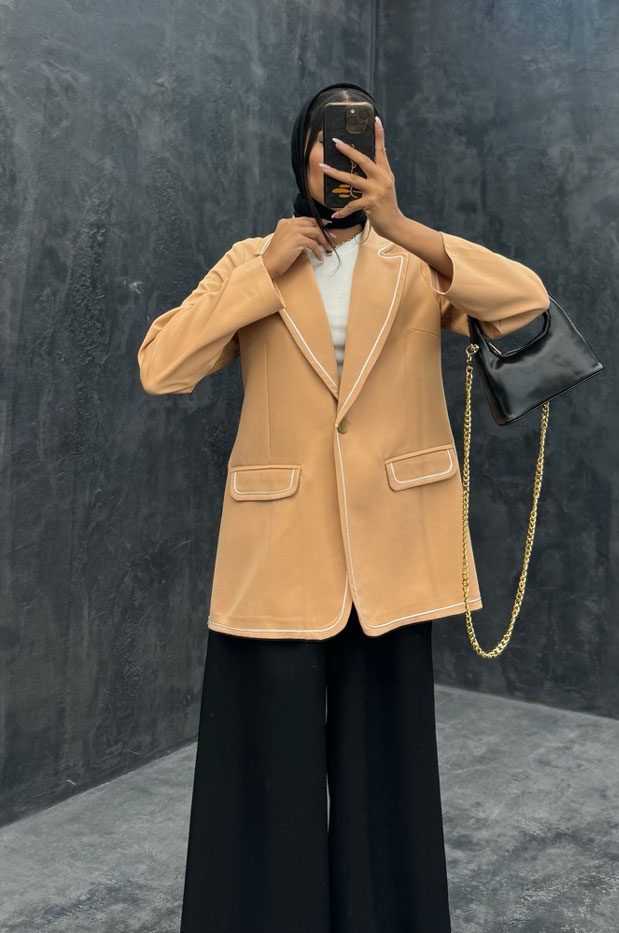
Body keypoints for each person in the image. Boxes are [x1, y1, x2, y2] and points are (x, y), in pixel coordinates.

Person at [137, 81, 550, 933]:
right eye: (328, 139)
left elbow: (526, 303)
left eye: (362, 137)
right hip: (276, 553)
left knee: (386, 782)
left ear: (383, 153)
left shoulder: (412, 263)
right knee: (263, 781)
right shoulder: (253, 259)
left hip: (390, 554)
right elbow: (162, 365)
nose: (343, 154)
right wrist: (264, 271)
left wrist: (405, 225)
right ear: (302, 153)